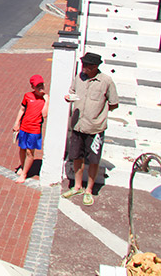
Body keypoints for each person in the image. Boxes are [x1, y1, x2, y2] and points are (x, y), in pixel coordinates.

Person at [62, 52, 118, 206]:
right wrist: (69, 97)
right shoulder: (79, 77)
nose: (84, 67)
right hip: (78, 125)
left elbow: (114, 103)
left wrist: (99, 113)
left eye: (87, 65)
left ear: (95, 67)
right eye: (83, 64)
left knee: (93, 159)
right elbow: (72, 91)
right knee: (76, 156)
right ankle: (77, 186)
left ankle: (89, 190)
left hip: (95, 127)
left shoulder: (106, 81)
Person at [13, 74, 49, 183]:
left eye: (42, 84)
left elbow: (45, 115)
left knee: (30, 152)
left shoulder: (45, 99)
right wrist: (16, 123)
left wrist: (47, 101)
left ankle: (24, 174)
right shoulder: (27, 96)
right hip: (24, 127)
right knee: (22, 149)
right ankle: (23, 166)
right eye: (38, 86)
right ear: (33, 87)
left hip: (34, 130)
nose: (40, 87)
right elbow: (22, 110)